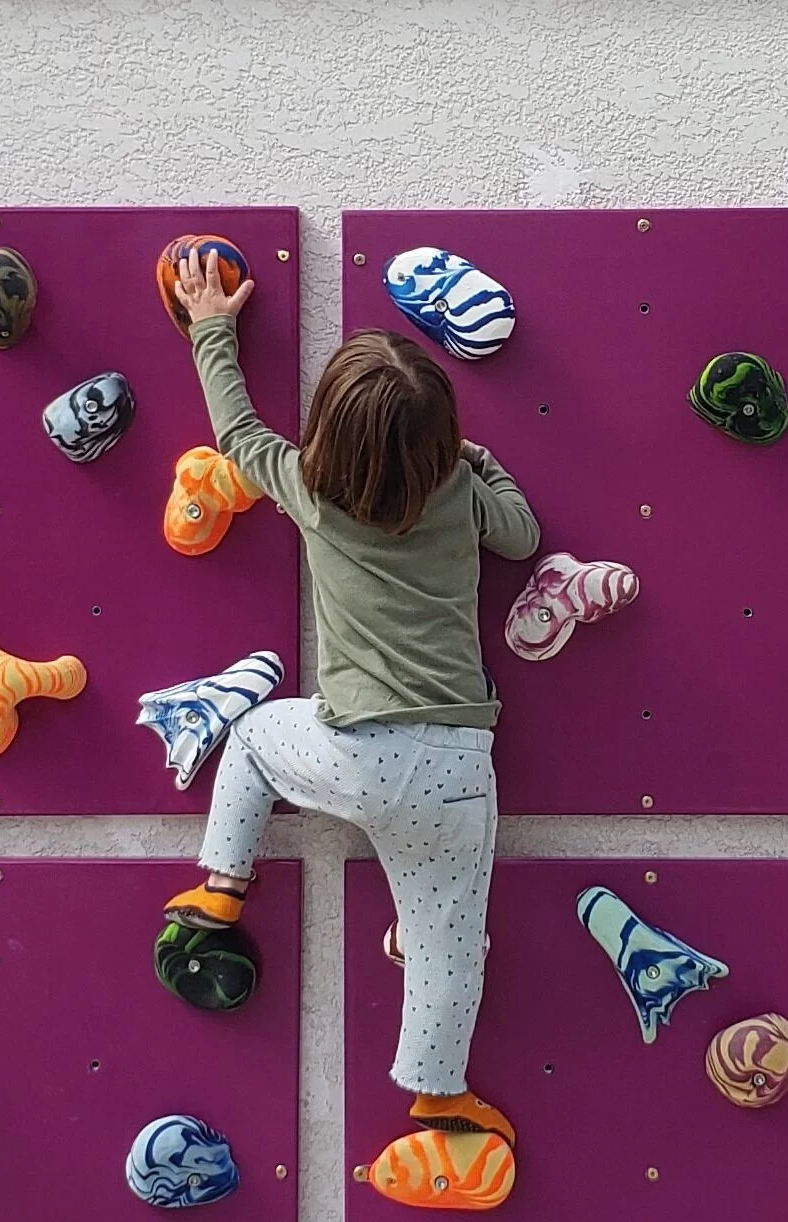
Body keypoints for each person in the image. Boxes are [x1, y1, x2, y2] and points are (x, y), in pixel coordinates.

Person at [164, 248, 540, 1149]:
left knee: (253, 734)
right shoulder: (457, 494)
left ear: (327, 432)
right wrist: (480, 464)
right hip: (452, 766)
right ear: (443, 437)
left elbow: (237, 433)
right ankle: (438, 1094)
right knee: (450, 944)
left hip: (350, 751)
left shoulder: (311, 489)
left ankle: (219, 889)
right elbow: (524, 539)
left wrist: (213, 330)